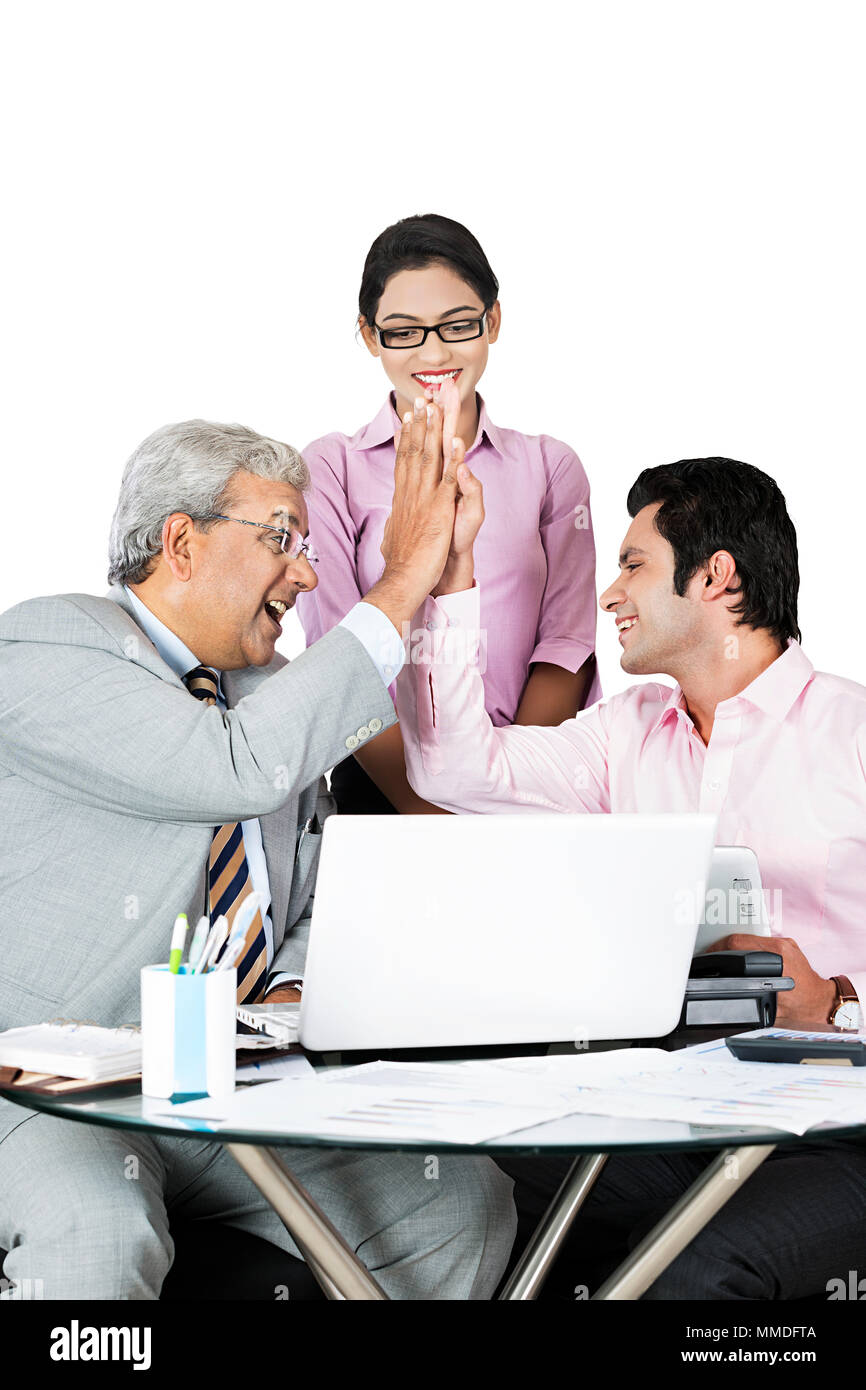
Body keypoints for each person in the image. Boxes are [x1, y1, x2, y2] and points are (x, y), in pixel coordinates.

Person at [0, 411, 516, 1301]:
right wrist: (400, 580)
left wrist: (292, 983)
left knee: (456, 1203)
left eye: (308, 544)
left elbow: (317, 888)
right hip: (54, 1092)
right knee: (98, 1233)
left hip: (227, 1092)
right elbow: (231, 768)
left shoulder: (276, 694)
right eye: (281, 537)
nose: (306, 572)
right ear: (180, 542)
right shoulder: (48, 646)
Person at [396, 451, 866, 1299]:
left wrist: (838, 1002)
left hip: (841, 1125)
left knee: (694, 1271)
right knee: (470, 1186)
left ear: (717, 577)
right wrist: (453, 573)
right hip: (675, 1110)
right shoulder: (625, 733)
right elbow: (450, 770)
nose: (610, 594)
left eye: (633, 566)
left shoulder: (853, 737)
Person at [296, 212, 601, 814]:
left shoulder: (550, 467)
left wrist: (498, 799)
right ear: (368, 335)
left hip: (531, 782)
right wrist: (432, 816)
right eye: (403, 331)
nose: (433, 352)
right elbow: (337, 657)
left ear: (492, 321)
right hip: (387, 785)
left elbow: (565, 648)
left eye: (457, 324)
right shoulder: (330, 467)